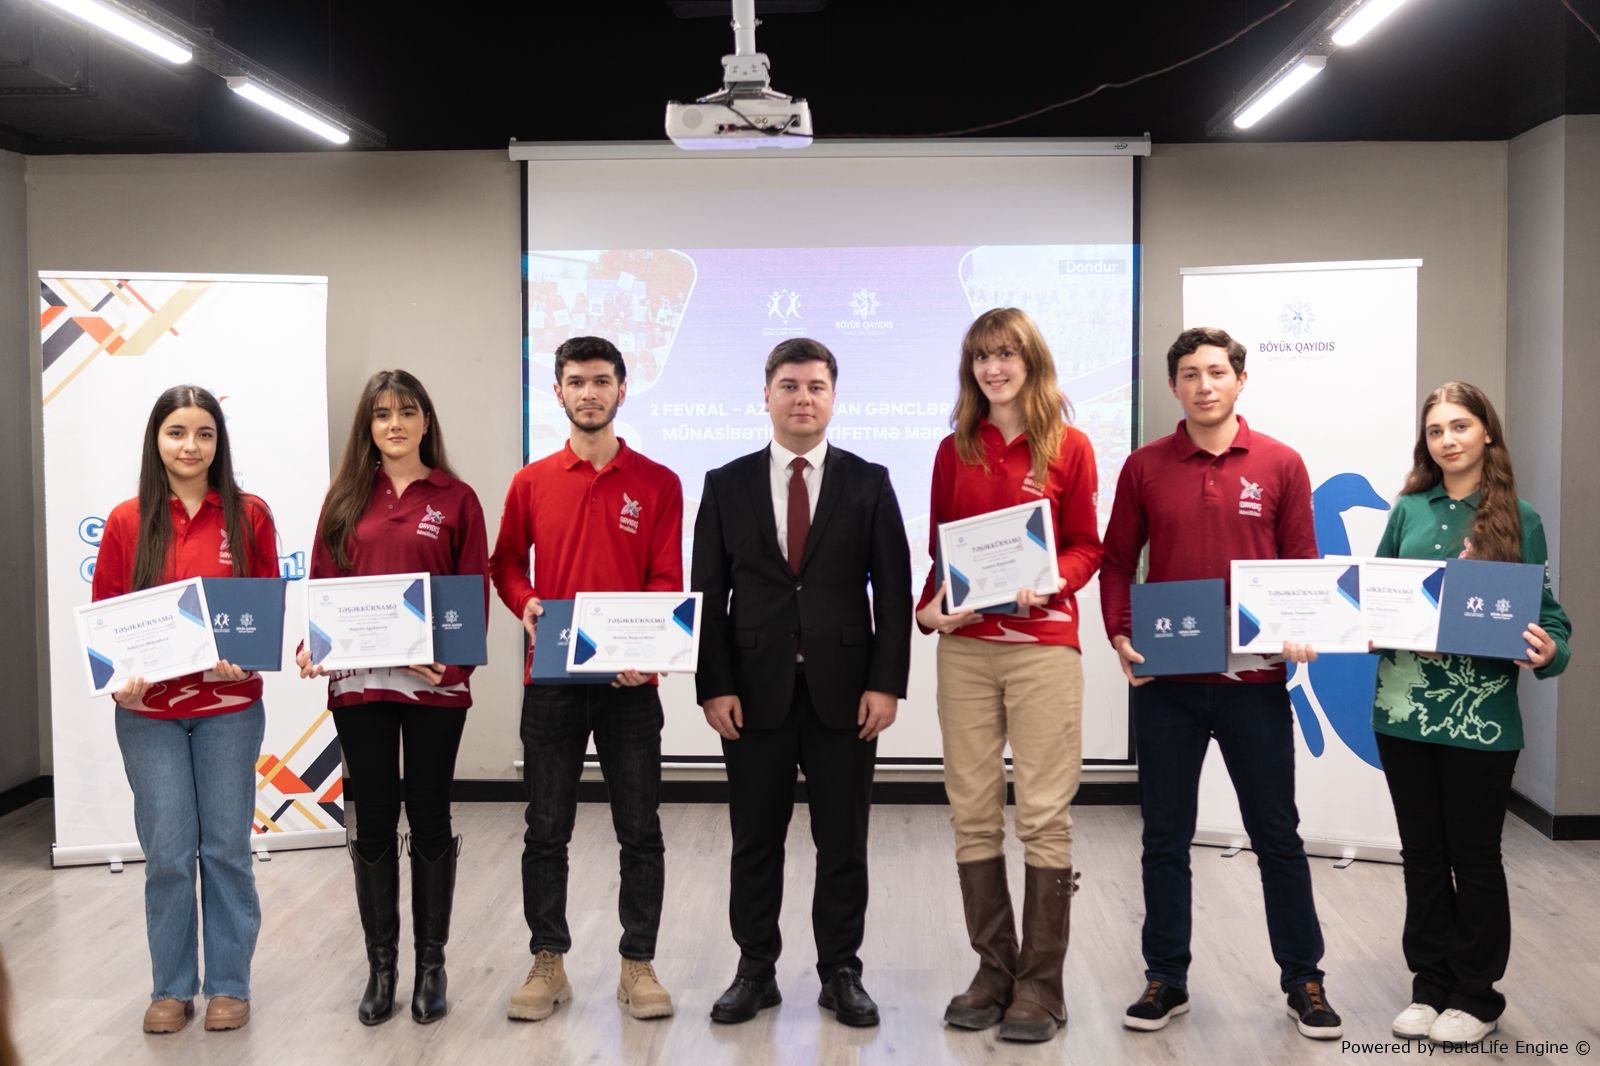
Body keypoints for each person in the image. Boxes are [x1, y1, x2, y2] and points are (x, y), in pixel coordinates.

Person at [1099, 327, 1342, 1039]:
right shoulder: (1145, 467)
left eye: (1216, 372)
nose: (1203, 385)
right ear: (1174, 387)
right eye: (1188, 375)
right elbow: (1117, 560)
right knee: (1165, 837)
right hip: (1169, 682)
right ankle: (1165, 978)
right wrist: (1120, 631)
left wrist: (1302, 629)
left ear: (1240, 379)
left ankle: (1305, 979)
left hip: (1255, 684)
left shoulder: (1280, 463)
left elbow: (1302, 561)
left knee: (1277, 835)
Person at [692, 338, 912, 1028]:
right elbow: (708, 592)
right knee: (755, 839)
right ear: (766, 396)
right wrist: (712, 684)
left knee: (842, 841)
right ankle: (754, 970)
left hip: (845, 695)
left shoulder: (868, 481)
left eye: (816, 386)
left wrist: (887, 684)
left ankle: (840, 972)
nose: (802, 398)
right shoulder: (725, 484)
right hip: (752, 694)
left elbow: (897, 592)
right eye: (789, 385)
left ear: (834, 396)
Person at [913, 308, 1102, 1042]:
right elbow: (940, 554)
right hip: (965, 650)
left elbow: (1086, 544)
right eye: (981, 357)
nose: (994, 368)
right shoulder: (950, 449)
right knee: (971, 806)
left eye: (1006, 354)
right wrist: (928, 613)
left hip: (1043, 647)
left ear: (1031, 361)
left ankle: (1042, 985)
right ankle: (994, 971)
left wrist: (1054, 580)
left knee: (1045, 813)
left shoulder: (1071, 446)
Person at [490, 337, 684, 1022]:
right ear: (558, 392)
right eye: (577, 382)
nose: (590, 393)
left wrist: (649, 649)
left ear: (623, 390)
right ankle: (548, 962)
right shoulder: (531, 482)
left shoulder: (659, 482)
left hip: (631, 684)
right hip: (552, 681)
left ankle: (638, 964)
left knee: (640, 828)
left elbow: (666, 580)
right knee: (546, 828)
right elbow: (506, 562)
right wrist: (525, 602)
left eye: (602, 381)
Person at [1371, 381, 1571, 1046]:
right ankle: (1429, 985)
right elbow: (1374, 594)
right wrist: (1363, 619)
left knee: (1475, 856)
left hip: (1481, 717)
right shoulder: (1407, 510)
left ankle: (1476, 994)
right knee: (1422, 854)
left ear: (1487, 432)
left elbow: (1549, 622)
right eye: (1435, 430)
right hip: (1402, 708)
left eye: (1460, 425)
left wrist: (1548, 648)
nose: (1448, 439)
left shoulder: (1522, 517)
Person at [296, 370, 487, 1026]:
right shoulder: (344, 497)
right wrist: (313, 644)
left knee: (430, 813)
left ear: (426, 421)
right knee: (373, 817)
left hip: (434, 684)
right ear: (368, 427)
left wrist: (452, 660)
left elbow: (472, 590)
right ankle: (383, 968)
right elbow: (322, 585)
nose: (396, 423)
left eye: (407, 411)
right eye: (382, 414)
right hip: (361, 684)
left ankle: (431, 966)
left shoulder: (457, 498)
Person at [91, 385, 278, 1034]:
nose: (190, 445)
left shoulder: (249, 515)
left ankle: (229, 984)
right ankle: (171, 987)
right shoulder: (125, 521)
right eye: (177, 432)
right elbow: (108, 618)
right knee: (169, 853)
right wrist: (121, 681)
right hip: (151, 716)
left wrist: (246, 656)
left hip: (228, 707)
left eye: (203, 433)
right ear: (157, 441)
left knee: (225, 848)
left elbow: (263, 611)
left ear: (218, 441)